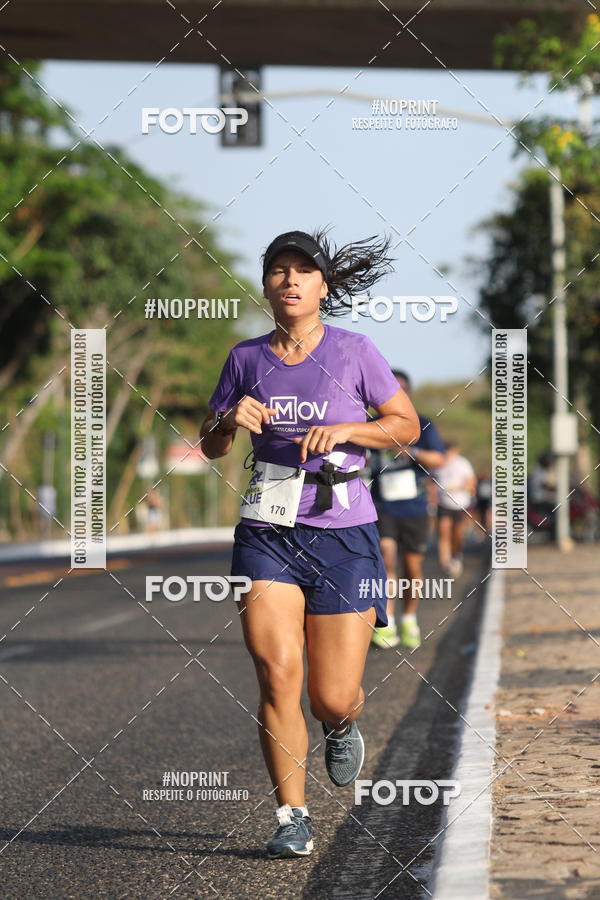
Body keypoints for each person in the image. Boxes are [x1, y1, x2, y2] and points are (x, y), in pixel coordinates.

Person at [199, 229, 419, 859]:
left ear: (324, 285)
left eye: (303, 271)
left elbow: (403, 426)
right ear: (266, 284)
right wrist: (226, 421)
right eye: (278, 271)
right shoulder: (245, 358)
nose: (290, 280)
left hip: (345, 536)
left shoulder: (355, 351)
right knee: (276, 673)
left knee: (331, 694)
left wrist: (349, 428)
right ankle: (291, 815)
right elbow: (212, 441)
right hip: (266, 533)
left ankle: (342, 723)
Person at [368, 371, 445, 650]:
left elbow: (439, 458)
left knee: (413, 568)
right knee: (386, 560)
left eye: (399, 389)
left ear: (407, 393)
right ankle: (386, 621)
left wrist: (412, 452)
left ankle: (409, 618)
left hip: (414, 507)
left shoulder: (422, 424)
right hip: (381, 506)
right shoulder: (370, 424)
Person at [435, 441, 476, 577]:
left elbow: (471, 482)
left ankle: (457, 555)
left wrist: (457, 488)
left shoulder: (463, 463)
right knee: (443, 530)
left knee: (457, 533)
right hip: (443, 503)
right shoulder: (438, 462)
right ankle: (445, 563)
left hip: (459, 503)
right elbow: (431, 480)